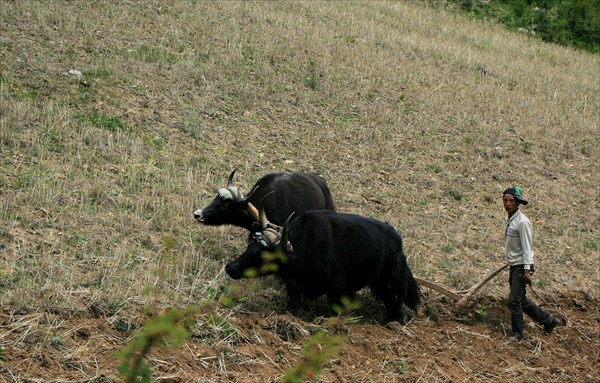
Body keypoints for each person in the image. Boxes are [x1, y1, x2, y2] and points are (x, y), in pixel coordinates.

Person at [503, 186, 559, 342]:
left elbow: (528, 248)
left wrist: (527, 269)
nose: (507, 204)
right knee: (521, 300)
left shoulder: (522, 222)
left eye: (511, 201)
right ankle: (549, 321)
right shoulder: (512, 219)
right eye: (505, 200)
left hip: (522, 266)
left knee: (514, 300)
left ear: (517, 203)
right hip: (515, 265)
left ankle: (517, 335)